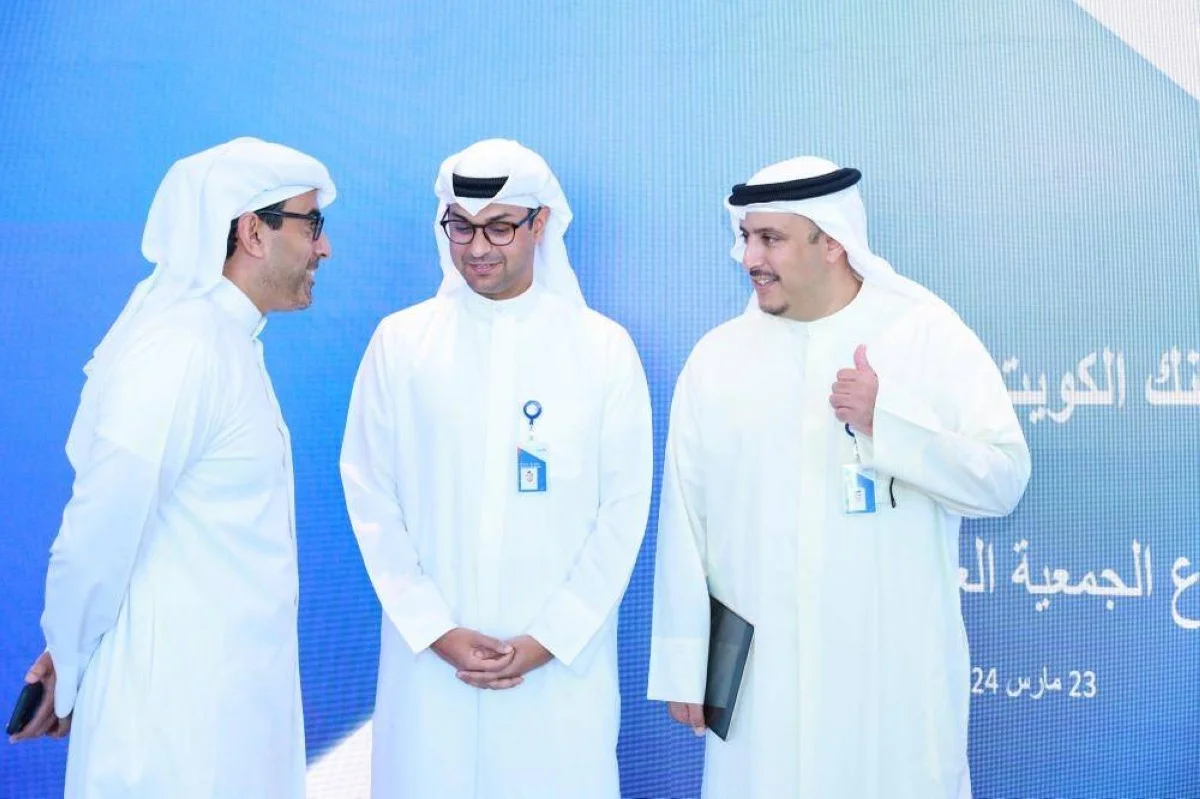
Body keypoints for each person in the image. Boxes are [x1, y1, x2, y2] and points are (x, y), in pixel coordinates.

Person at [647, 156, 1030, 798]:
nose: (750, 258)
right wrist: (688, 665)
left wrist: (891, 424)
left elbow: (1003, 480)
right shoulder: (718, 359)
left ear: (831, 243)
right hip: (759, 679)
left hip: (887, 671)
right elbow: (686, 521)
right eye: (746, 237)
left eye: (771, 239)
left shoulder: (923, 335)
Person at [10, 137, 335, 799]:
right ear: (251, 231)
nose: (323, 248)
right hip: (172, 738)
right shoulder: (182, 349)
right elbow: (97, 533)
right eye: (312, 223)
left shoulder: (226, 345)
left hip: (219, 728)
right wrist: (67, 663)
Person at [340, 138, 652, 798]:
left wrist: (551, 635)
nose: (477, 248)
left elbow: (622, 514)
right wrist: (435, 628)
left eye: (500, 227)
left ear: (541, 223)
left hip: (560, 672)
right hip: (432, 671)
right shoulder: (401, 344)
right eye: (460, 226)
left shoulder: (602, 350)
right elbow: (370, 494)